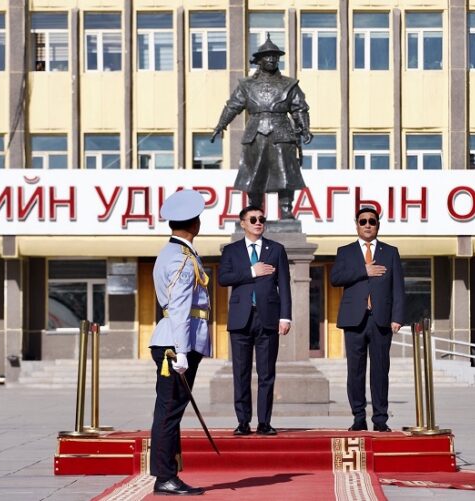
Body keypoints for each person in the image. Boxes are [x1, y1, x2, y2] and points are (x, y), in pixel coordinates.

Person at [149, 189, 210, 496]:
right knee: (169, 411)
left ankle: (167, 473)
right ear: (195, 224)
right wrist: (183, 351)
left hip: (172, 341)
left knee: (169, 409)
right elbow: (181, 307)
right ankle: (165, 477)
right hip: (176, 344)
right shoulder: (182, 259)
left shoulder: (172, 252)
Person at [211, 35, 312, 220]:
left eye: (275, 56)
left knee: (285, 172)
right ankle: (254, 208)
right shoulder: (247, 85)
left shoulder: (289, 84)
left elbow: (299, 108)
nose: (272, 59)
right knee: (254, 172)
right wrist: (220, 125)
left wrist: (305, 128)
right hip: (255, 133)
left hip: (282, 131)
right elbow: (233, 106)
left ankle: (286, 208)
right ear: (259, 60)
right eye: (267, 56)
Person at [330, 207, 406, 432]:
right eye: (363, 221)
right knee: (355, 371)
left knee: (380, 371)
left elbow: (398, 288)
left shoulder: (390, 252)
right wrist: (364, 271)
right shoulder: (345, 252)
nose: (367, 225)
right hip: (354, 320)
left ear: (377, 225)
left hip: (381, 320)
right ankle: (358, 417)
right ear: (357, 225)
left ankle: (380, 419)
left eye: (372, 221)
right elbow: (336, 278)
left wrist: (397, 317)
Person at [218, 205, 292, 436]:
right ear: (243, 223)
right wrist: (252, 271)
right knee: (240, 373)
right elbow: (223, 278)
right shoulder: (231, 250)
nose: (258, 222)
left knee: (266, 373)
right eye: (253, 219)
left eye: (261, 219)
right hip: (241, 318)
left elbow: (284, 285)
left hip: (268, 318)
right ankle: (243, 422)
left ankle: (264, 422)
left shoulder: (276, 249)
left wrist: (285, 317)